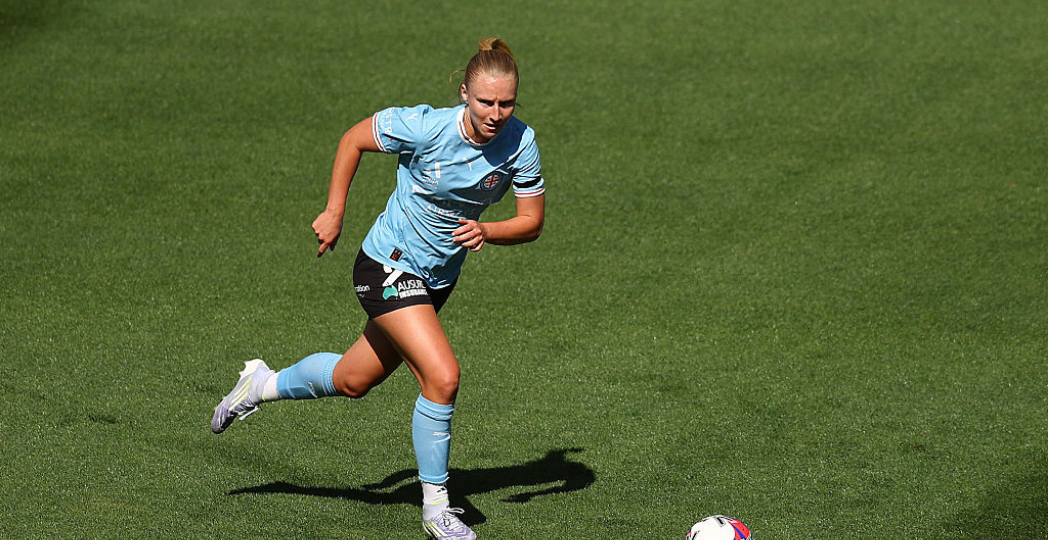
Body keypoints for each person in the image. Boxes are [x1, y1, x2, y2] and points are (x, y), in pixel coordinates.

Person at [210, 38, 545, 540]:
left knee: (352, 380)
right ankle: (438, 509)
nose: (496, 113)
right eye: (485, 102)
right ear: (464, 95)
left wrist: (488, 230)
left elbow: (532, 221)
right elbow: (353, 139)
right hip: (385, 265)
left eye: (506, 102)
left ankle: (260, 384)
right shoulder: (426, 126)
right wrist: (335, 210)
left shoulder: (521, 142)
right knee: (443, 377)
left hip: (436, 281)